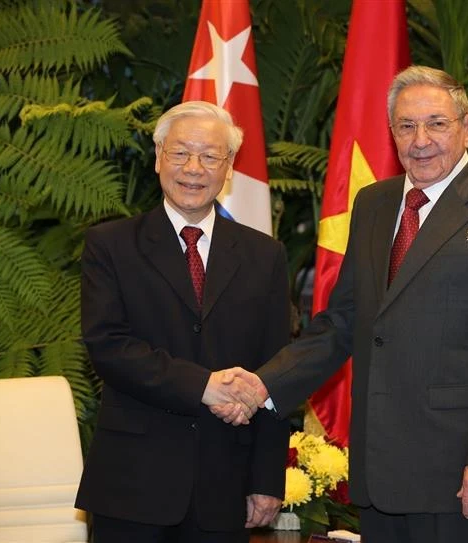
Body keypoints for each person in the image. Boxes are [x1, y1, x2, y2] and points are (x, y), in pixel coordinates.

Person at [217, 66, 468, 542]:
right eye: (406, 126)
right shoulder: (374, 203)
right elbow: (344, 321)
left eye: (437, 123)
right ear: (391, 132)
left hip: (458, 476)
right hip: (379, 471)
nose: (421, 140)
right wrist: (263, 386)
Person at [76, 101, 291, 543]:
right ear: (158, 156)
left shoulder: (265, 255)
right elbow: (109, 347)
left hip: (225, 486)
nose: (194, 168)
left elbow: (276, 368)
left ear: (228, 167)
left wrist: (268, 479)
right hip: (133, 485)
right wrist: (204, 385)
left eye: (210, 156)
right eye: (180, 153)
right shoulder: (110, 245)